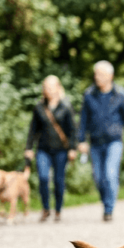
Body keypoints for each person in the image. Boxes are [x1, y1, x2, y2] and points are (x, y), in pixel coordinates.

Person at [78, 61, 124, 222]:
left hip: (114, 141)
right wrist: (81, 140)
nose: (98, 77)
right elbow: (83, 120)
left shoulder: (120, 94)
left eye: (101, 74)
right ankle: (106, 203)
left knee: (110, 174)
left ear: (110, 76)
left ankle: (109, 209)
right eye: (96, 74)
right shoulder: (89, 94)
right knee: (98, 177)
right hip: (95, 142)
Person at [25, 75, 77, 222]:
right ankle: (46, 209)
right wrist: (29, 148)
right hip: (43, 149)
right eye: (46, 87)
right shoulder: (39, 107)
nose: (49, 90)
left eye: (52, 86)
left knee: (59, 181)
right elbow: (33, 130)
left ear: (58, 87)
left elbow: (73, 129)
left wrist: (72, 148)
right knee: (43, 178)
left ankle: (58, 210)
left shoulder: (66, 106)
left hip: (61, 150)